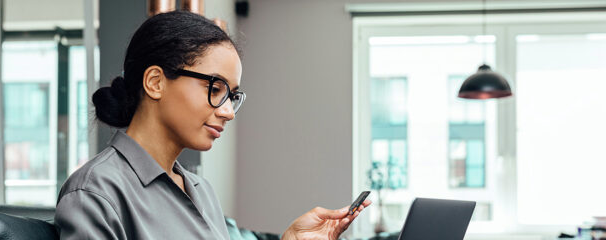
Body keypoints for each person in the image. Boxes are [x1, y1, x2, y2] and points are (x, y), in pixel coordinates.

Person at [55, 10, 370, 240]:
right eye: (216, 89)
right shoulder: (95, 193)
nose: (229, 112)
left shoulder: (201, 191)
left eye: (232, 96)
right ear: (155, 82)